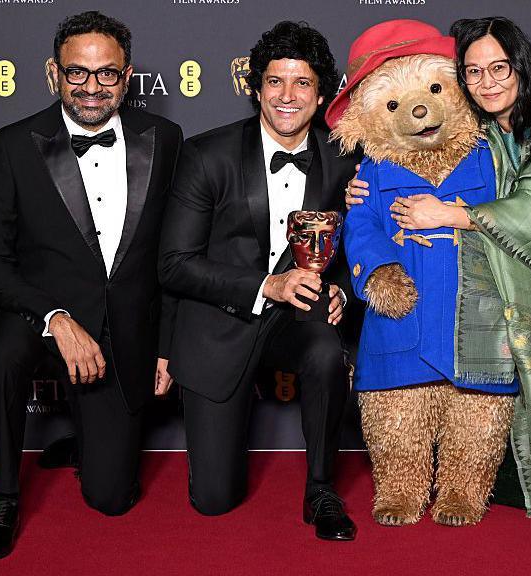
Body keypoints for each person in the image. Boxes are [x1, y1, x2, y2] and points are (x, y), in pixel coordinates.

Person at [347, 16, 531, 515]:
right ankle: (415, 485)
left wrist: (450, 214)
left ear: (521, 65)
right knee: (407, 399)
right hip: (453, 291)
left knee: (490, 391)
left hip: (527, 287)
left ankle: (492, 484)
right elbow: (366, 220)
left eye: (499, 68)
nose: (488, 82)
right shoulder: (463, 139)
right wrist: (372, 242)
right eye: (474, 72)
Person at [0, 11, 183, 559]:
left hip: (121, 324)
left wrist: (166, 345)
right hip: (38, 314)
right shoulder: (13, 145)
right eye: (76, 72)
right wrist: (55, 318)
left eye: (106, 73)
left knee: (112, 499)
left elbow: (172, 255)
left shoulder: (164, 139)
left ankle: (86, 440)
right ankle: (4, 496)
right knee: (4, 360)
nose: (91, 87)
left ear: (127, 76)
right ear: (53, 73)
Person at [158, 21, 359, 541]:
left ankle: (321, 489)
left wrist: (341, 287)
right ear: (256, 89)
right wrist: (266, 285)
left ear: (322, 95)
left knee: (324, 348)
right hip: (219, 320)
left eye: (302, 83)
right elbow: (174, 263)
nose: (287, 96)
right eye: (275, 81)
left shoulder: (344, 159)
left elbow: (360, 244)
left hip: (297, 319)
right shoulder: (207, 155)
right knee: (214, 501)